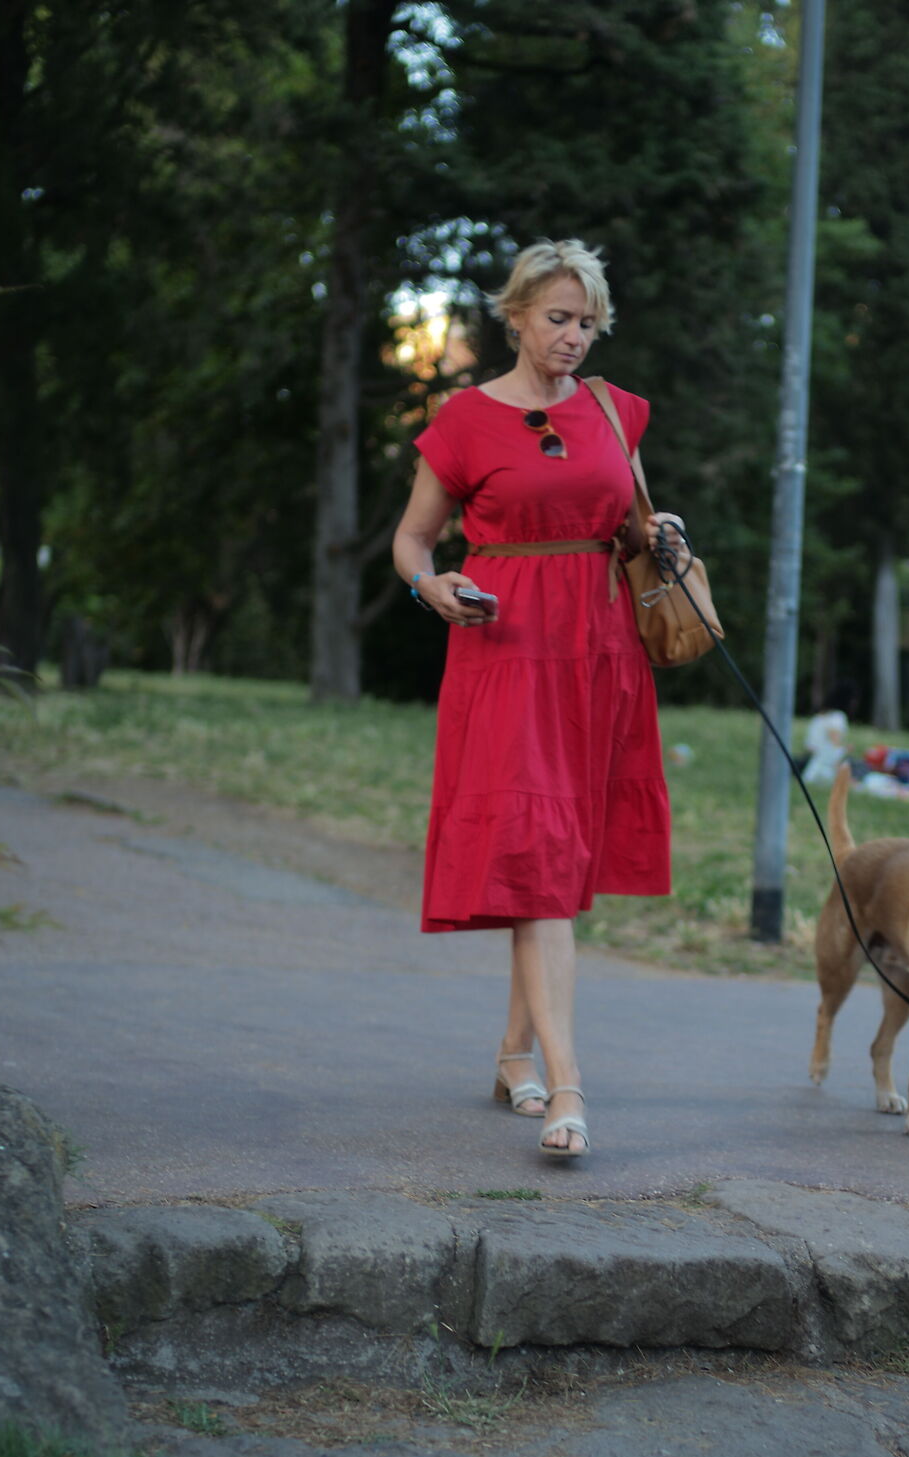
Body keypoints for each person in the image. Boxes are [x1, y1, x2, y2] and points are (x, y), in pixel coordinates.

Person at [389, 239, 684, 1161]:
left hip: (598, 654)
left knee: (555, 859)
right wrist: (430, 585)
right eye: (557, 318)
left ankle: (514, 1052)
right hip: (507, 649)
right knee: (540, 853)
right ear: (514, 315)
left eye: (587, 322)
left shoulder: (614, 412)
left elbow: (628, 527)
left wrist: (660, 532)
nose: (573, 337)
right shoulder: (464, 421)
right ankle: (566, 1086)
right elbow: (412, 540)